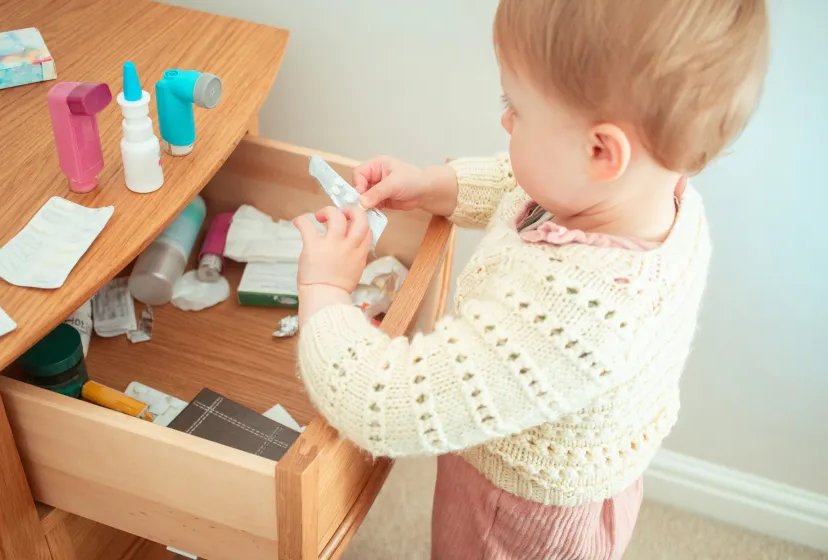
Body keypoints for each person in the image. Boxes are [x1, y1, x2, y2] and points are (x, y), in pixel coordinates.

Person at [291, 0, 769, 557]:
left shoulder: (584, 314)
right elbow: (523, 189)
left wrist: (324, 289)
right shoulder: (653, 196)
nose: (504, 120)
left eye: (514, 107)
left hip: (516, 522)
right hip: (560, 466)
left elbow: (383, 405)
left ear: (600, 151)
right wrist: (432, 183)